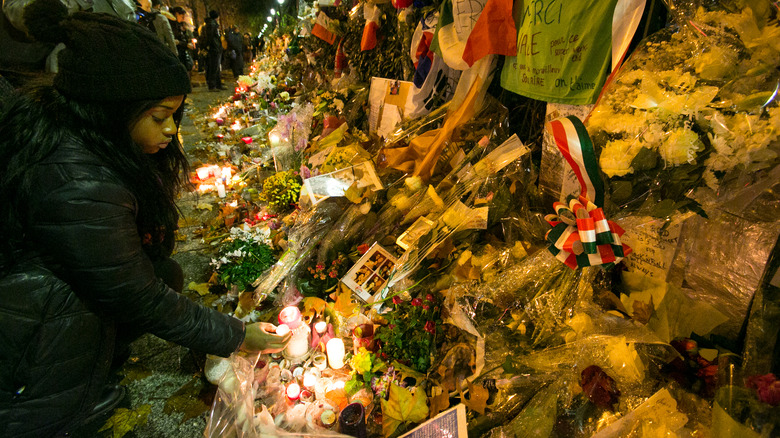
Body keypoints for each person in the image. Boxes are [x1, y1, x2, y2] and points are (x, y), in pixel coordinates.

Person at [0, 1, 290, 436]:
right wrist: (236, 335)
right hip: (26, 351)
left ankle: (96, 362)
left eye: (176, 115)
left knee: (165, 271)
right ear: (113, 110)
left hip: (49, 301)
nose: (172, 130)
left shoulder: (88, 141)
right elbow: (135, 295)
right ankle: (69, 388)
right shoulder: (77, 181)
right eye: (159, 117)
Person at [170, 6, 194, 76]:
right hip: (177, 53)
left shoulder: (181, 25)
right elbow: (175, 41)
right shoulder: (172, 26)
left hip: (183, 53)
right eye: (182, 16)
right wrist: (185, 44)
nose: (183, 18)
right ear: (176, 14)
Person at [203, 9, 223, 91]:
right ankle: (212, 85)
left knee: (217, 67)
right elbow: (210, 37)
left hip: (216, 48)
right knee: (214, 67)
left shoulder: (213, 24)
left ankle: (218, 84)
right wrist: (209, 46)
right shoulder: (211, 24)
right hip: (214, 48)